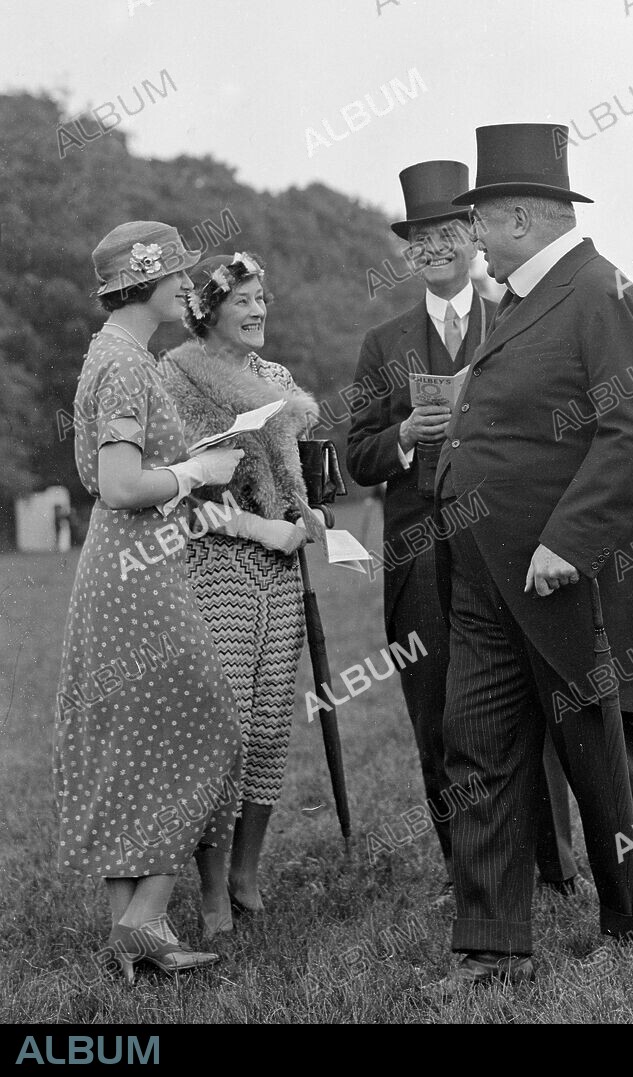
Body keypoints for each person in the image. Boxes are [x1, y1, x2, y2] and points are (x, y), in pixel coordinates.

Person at [433, 124, 633, 989]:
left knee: (592, 748)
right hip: (482, 569)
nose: (472, 240)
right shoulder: (524, 296)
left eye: (481, 222)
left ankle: (631, 914)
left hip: (556, 573)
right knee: (480, 744)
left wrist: (568, 542)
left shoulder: (598, 292)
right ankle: (492, 945)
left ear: (523, 218)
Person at [347, 160, 579, 903]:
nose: (435, 247)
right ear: (408, 249)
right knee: (436, 709)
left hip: (503, 541)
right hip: (418, 554)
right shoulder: (383, 344)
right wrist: (406, 434)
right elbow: (356, 454)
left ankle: (551, 860)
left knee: (532, 700)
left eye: (448, 231)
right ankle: (464, 864)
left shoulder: (513, 317)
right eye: (420, 237)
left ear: (472, 238)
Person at [55, 221, 244, 982]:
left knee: (133, 736)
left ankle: (135, 928)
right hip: (137, 569)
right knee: (211, 726)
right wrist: (200, 472)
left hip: (126, 563)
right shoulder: (127, 364)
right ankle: (142, 920)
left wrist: (189, 463)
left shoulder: (114, 353)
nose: (188, 287)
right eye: (178, 276)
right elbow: (123, 483)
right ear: (146, 283)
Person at [160, 252, 326, 935]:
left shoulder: (277, 380)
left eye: (264, 299)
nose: (259, 311)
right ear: (208, 308)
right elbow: (172, 496)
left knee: (265, 730)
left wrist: (304, 516)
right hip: (212, 568)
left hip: (277, 576)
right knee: (220, 733)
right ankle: (209, 889)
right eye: (244, 301)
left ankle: (245, 871)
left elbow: (291, 481)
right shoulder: (175, 376)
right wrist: (259, 527)